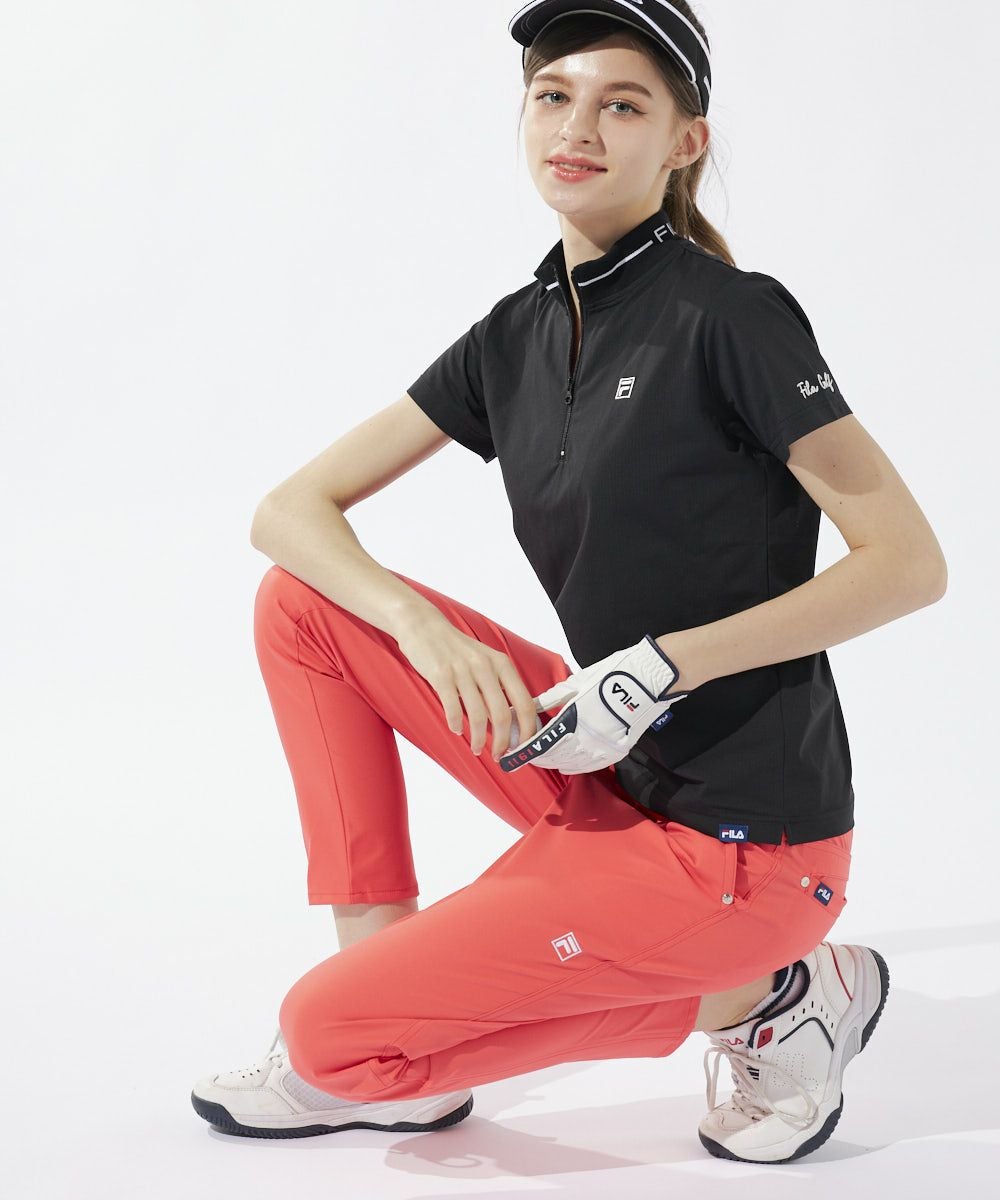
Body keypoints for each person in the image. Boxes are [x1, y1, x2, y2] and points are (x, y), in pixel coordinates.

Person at [190, 0, 947, 1164]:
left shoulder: (729, 316)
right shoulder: (516, 334)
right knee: (305, 606)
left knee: (326, 1037)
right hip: (605, 759)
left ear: (683, 142)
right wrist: (423, 631)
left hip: (742, 846)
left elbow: (907, 564)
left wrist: (661, 667)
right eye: (553, 95)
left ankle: (775, 999)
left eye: (621, 105)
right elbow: (287, 513)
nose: (577, 127)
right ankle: (384, 999)